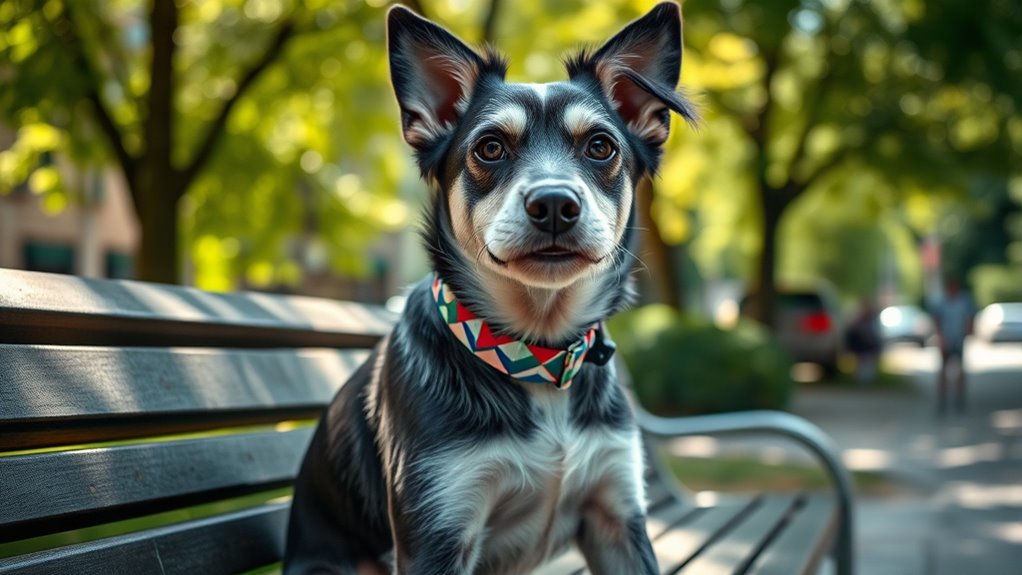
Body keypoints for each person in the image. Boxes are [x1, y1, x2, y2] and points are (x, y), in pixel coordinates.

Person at [933, 278, 975, 415]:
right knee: (943, 371)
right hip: (946, 339)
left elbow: (968, 319)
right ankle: (942, 401)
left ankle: (959, 399)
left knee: (960, 370)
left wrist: (968, 331)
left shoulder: (964, 301)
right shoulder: (942, 302)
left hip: (958, 339)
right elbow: (937, 321)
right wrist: (941, 339)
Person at [846, 299, 882, 384]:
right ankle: (862, 379)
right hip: (863, 343)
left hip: (868, 342)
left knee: (867, 361)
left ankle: (866, 379)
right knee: (862, 361)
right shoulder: (860, 317)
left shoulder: (871, 317)